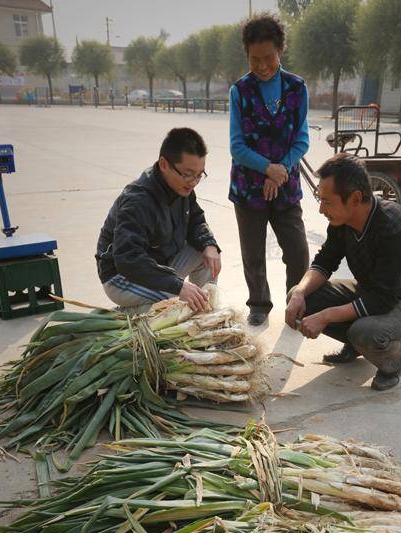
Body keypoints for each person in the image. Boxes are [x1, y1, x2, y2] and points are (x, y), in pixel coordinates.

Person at [285, 154, 401, 392]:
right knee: (301, 296)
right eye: (319, 200)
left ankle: (394, 360)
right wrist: (299, 293)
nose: (322, 209)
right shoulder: (341, 221)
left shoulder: (391, 226)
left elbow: (384, 298)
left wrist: (326, 316)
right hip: (371, 289)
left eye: (327, 201)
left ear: (355, 198)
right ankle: (356, 344)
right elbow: (325, 261)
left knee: (366, 332)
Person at [229, 13, 310, 326]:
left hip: (286, 184)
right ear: (246, 54)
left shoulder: (296, 88)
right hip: (248, 187)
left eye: (268, 58)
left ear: (280, 51)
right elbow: (237, 147)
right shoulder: (240, 91)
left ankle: (298, 301)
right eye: (254, 59)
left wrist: (280, 170)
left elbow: (301, 140)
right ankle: (259, 303)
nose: (262, 66)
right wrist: (268, 169)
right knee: (253, 252)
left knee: (297, 250)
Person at [96, 127, 221, 313]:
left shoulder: (182, 187)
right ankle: (124, 315)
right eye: (188, 174)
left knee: (206, 255)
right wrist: (178, 286)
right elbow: (128, 259)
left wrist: (209, 244)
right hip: (123, 276)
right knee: (174, 303)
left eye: (199, 175)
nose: (193, 182)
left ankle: (206, 314)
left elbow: (196, 220)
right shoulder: (138, 200)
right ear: (164, 164)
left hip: (159, 266)